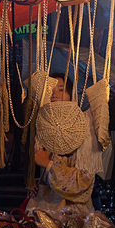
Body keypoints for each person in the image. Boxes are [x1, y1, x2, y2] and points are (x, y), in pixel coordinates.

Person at [27, 74, 96, 213]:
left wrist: (48, 165)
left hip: (73, 215)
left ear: (71, 95)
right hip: (47, 211)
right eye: (50, 90)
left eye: (61, 90)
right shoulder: (44, 129)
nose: (54, 95)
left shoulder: (83, 128)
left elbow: (84, 180)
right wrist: (38, 181)